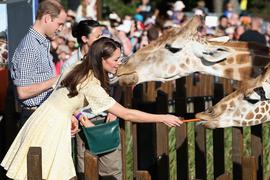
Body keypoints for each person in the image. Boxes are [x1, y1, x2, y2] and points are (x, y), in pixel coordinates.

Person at [1, 37, 183, 180]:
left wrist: (73, 115)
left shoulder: (79, 66)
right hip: (50, 126)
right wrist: (162, 118)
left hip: (44, 118)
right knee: (43, 172)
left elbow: (60, 94)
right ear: (102, 60)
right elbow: (126, 113)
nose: (119, 62)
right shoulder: (91, 84)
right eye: (116, 59)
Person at [61, 19, 121, 179]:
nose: (103, 38)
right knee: (87, 172)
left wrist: (114, 107)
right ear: (85, 39)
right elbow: (66, 98)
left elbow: (119, 83)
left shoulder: (107, 56)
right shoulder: (71, 65)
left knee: (112, 172)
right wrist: (80, 118)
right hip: (85, 124)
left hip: (106, 120)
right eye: (98, 35)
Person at [9, 0, 67, 129]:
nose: (60, 29)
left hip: (43, 114)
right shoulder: (30, 46)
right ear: (47, 18)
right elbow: (23, 91)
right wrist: (56, 80)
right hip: (34, 118)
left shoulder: (41, 43)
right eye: (59, 24)